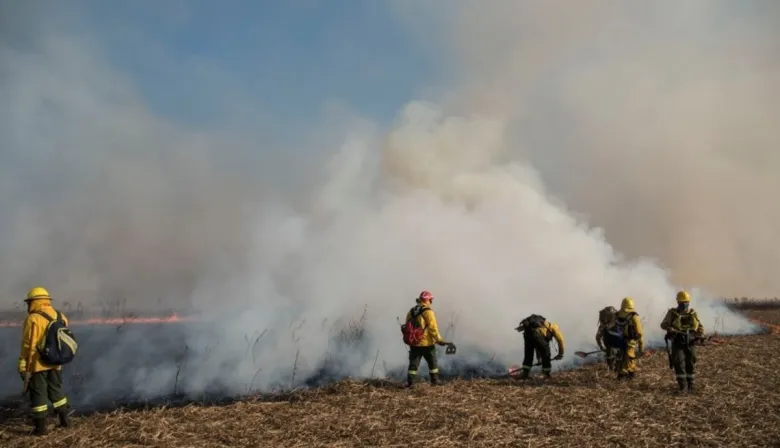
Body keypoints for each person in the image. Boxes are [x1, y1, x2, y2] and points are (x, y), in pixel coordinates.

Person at [18, 286, 72, 435]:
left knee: (38, 394)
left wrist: (23, 364)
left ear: (34, 302)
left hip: (37, 364)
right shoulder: (60, 316)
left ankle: (41, 429)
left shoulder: (32, 318)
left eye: (29, 302)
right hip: (56, 362)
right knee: (56, 390)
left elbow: (28, 345)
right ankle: (65, 421)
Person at [660, 290, 705, 393]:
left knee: (691, 363)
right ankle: (683, 387)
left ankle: (691, 386)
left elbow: (700, 326)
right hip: (677, 343)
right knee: (679, 364)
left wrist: (701, 335)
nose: (684, 304)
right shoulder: (672, 313)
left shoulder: (693, 313)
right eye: (681, 302)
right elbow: (663, 324)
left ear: (689, 302)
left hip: (691, 342)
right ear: (678, 302)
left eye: (686, 302)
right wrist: (669, 327)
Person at [404, 290, 449, 387]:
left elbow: (408, 326)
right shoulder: (428, 312)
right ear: (428, 300)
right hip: (426, 343)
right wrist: (439, 340)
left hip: (414, 343)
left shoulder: (411, 311)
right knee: (433, 363)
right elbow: (433, 328)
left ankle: (410, 383)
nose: (431, 302)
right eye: (431, 300)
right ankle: (435, 381)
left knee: (413, 364)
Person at [514, 314, 564, 379]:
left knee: (528, 355)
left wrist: (539, 359)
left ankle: (525, 374)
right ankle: (546, 375)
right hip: (535, 334)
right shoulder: (553, 328)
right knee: (546, 353)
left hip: (527, 334)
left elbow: (538, 345)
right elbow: (561, 340)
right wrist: (560, 354)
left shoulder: (542, 327)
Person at [614, 297, 644, 380]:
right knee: (629, 358)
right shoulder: (634, 316)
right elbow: (640, 333)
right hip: (630, 342)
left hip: (618, 341)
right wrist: (641, 347)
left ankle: (624, 374)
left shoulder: (616, 315)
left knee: (621, 358)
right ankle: (628, 374)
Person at [595, 306, 619, 371]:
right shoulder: (603, 326)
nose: (606, 322)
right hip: (609, 343)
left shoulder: (619, 322)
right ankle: (611, 368)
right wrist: (602, 347)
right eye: (604, 320)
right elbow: (598, 337)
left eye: (608, 320)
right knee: (609, 353)